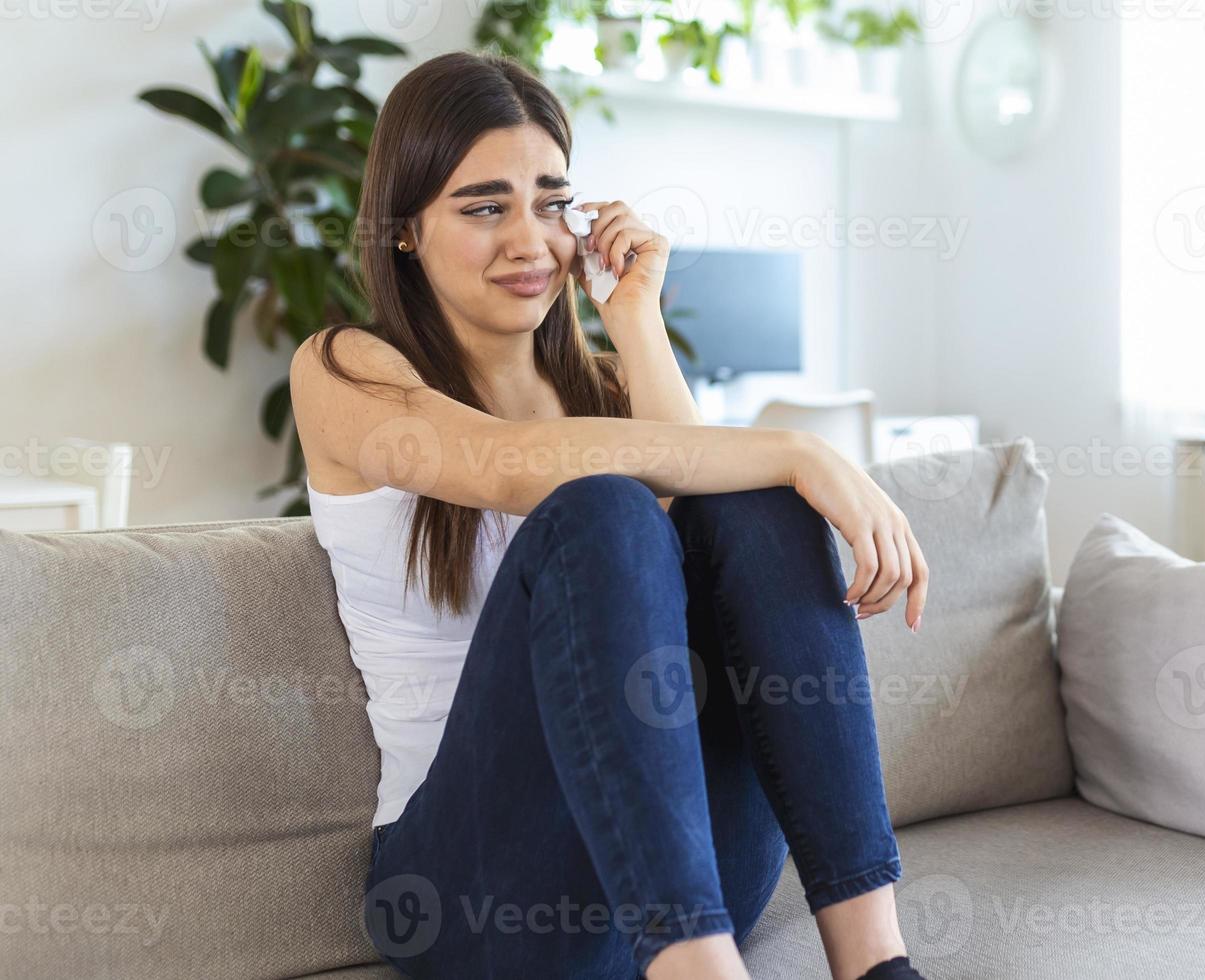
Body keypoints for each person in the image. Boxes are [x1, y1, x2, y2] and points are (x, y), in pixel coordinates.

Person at [289, 50, 930, 980]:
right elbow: (506, 467)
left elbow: (712, 504)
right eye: (483, 207)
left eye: (551, 202)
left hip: (672, 868)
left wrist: (635, 318)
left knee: (743, 503)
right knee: (606, 510)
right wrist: (805, 451)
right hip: (471, 893)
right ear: (402, 231)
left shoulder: (606, 392)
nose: (530, 239)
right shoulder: (345, 367)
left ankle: (877, 964)